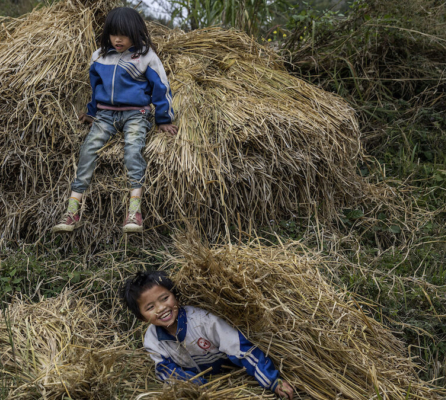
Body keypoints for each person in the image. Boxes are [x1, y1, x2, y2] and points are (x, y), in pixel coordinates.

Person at [52, 7, 178, 234]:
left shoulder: (145, 56)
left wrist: (163, 119)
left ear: (136, 33)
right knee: (88, 149)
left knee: (132, 151)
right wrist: (91, 113)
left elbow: (161, 88)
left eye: (124, 34)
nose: (118, 39)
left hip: (135, 115)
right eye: (113, 34)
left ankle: (134, 211)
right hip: (105, 115)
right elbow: (96, 88)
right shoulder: (99, 56)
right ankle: (72, 210)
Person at [119, 271, 296, 399]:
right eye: (150, 307)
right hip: (207, 385)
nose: (161, 308)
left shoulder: (204, 320)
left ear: (176, 296)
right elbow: (167, 372)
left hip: (233, 372)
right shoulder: (152, 340)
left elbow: (242, 350)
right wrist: (202, 390)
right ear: (141, 317)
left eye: (165, 298)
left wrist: (272, 382)